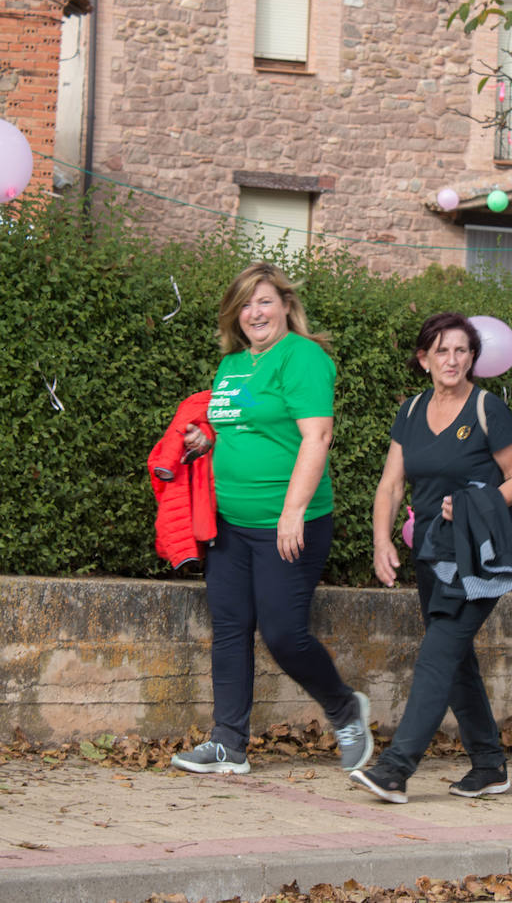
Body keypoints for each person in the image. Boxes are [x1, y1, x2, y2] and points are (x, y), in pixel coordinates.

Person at [170, 262, 373, 776]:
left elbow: (316, 437)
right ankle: (227, 743)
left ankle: (344, 707)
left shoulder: (303, 357)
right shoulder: (232, 366)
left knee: (283, 634)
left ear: (285, 304)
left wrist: (293, 511)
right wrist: (205, 440)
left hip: (289, 521)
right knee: (231, 628)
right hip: (228, 524)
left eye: (264, 301)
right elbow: (237, 427)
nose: (254, 312)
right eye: (245, 304)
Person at [351, 312, 512, 804]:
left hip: (478, 555)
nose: (452, 359)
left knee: (436, 654)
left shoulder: (486, 409)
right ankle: (490, 765)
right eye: (441, 350)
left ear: (473, 357)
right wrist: (381, 540)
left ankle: (395, 768)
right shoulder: (411, 411)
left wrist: (478, 501)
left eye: (461, 350)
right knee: (455, 661)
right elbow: (391, 483)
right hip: (430, 553)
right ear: (424, 358)